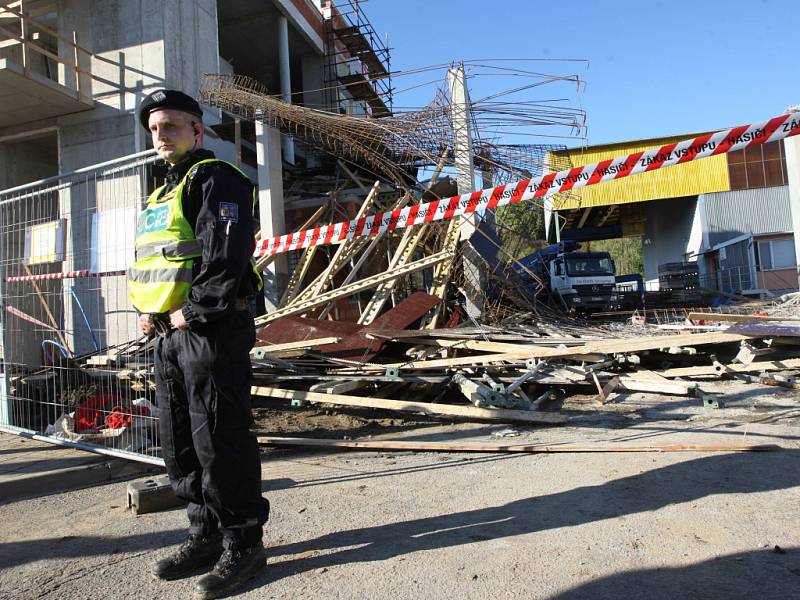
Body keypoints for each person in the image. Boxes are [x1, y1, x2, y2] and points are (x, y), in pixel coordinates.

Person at [128, 89, 269, 599]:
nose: (160, 135)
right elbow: (161, 262)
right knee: (181, 440)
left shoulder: (218, 179)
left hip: (209, 329)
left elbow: (226, 256)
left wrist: (193, 309)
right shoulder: (162, 191)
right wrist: (152, 312)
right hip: (168, 334)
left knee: (220, 439)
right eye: (153, 128)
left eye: (170, 125)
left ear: (197, 130)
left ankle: (243, 543)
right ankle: (203, 534)